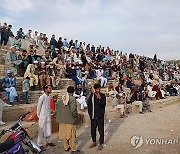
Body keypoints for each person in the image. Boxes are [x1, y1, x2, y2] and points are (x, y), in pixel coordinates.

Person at [56, 86, 79, 153]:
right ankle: (73, 149)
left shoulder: (62, 98)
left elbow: (57, 108)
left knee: (65, 134)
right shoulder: (72, 99)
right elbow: (73, 110)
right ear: (73, 91)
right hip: (70, 120)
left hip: (62, 120)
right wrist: (75, 117)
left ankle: (66, 147)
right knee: (71, 135)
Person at [37, 85, 56, 151]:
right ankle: (40, 145)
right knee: (41, 131)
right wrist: (39, 116)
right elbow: (38, 108)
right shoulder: (42, 97)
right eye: (49, 88)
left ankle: (48, 142)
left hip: (47, 116)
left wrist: (51, 112)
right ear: (45, 89)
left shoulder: (48, 97)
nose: (51, 90)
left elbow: (47, 107)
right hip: (42, 117)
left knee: (48, 129)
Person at [88, 84, 106, 150]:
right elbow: (89, 106)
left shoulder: (103, 96)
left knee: (101, 130)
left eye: (99, 89)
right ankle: (94, 141)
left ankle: (101, 143)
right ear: (95, 89)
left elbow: (103, 104)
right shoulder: (92, 96)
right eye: (97, 89)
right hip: (93, 116)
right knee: (93, 130)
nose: (98, 90)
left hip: (100, 116)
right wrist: (90, 115)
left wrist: (100, 98)